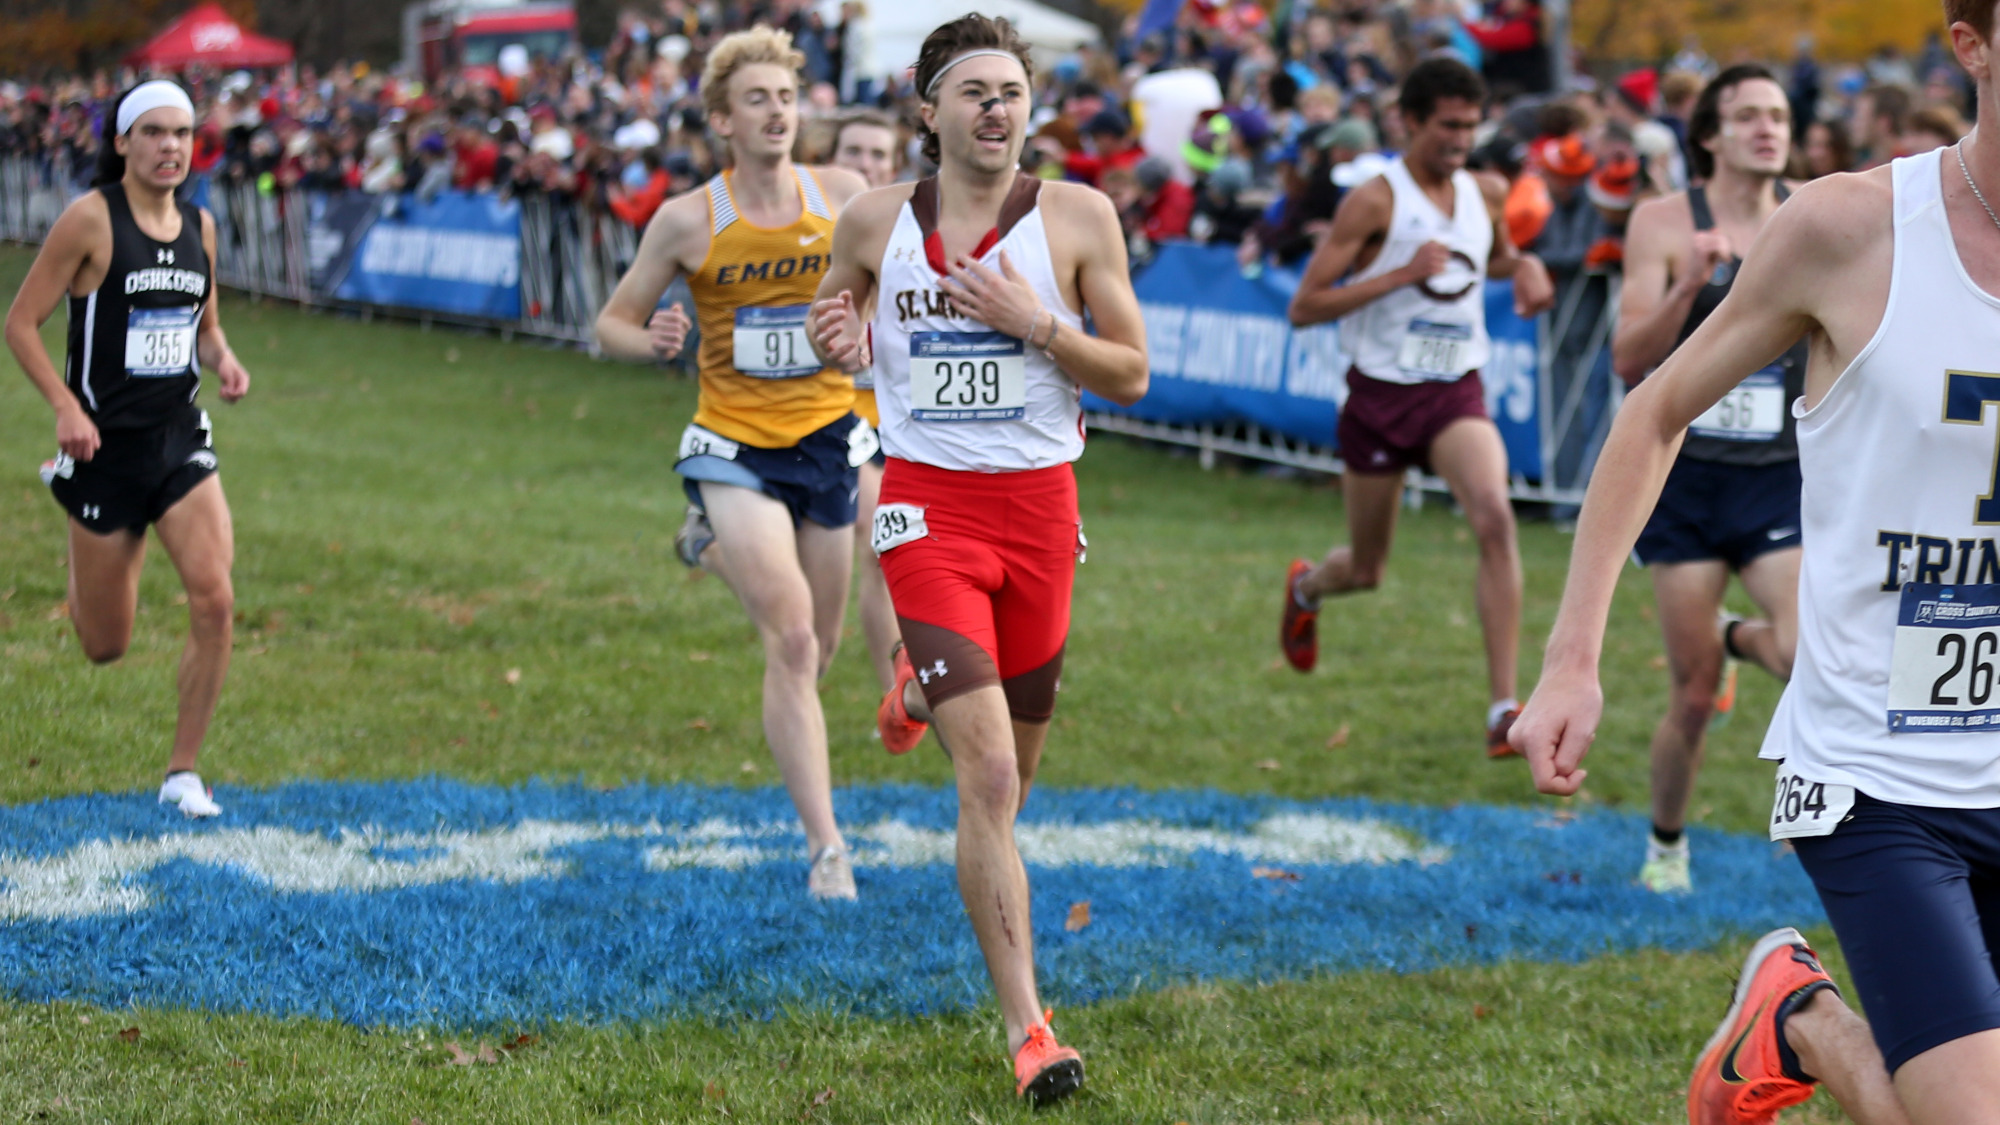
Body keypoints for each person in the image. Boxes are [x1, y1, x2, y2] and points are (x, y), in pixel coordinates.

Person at [1514, 4, 2000, 1122]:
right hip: (1879, 770)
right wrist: (1571, 658)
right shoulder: (1852, 228)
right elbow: (1653, 411)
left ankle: (1789, 1016)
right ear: (1970, 44)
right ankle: (1807, 1018)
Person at [805, 14, 1148, 1105]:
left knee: (1014, 785)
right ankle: (1029, 1029)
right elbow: (832, 317)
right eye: (974, 92)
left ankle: (917, 686)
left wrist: (1034, 324)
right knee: (989, 777)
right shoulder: (874, 219)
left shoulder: (1078, 216)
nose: (996, 109)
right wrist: (835, 338)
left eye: (1010, 93)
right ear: (929, 110)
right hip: (926, 508)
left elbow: (1131, 371)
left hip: (1040, 512)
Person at [593, 27, 872, 901]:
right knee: (791, 635)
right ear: (722, 119)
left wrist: (862, 333)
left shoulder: (844, 196)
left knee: (821, 648)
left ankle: (705, 545)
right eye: (757, 99)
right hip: (733, 443)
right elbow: (610, 323)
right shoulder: (689, 219)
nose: (777, 112)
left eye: (786, 97)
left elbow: (892, 295)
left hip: (827, 438)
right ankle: (828, 849)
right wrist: (651, 340)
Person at [1278, 56, 1554, 758]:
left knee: (1494, 517)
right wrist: (1400, 274)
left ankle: (1502, 709)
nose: (1460, 140)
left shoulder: (1486, 191)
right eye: (1447, 127)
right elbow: (1306, 305)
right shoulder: (1374, 200)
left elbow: (1492, 258)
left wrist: (1525, 266)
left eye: (1470, 126)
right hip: (1379, 394)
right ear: (1408, 121)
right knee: (1366, 570)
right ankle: (1308, 588)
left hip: (1454, 389)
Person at [2, 80, 250, 818]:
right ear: (122, 142)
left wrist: (225, 359)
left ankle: (183, 772)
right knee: (104, 644)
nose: (170, 146)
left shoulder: (200, 226)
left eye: (182, 133)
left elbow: (205, 326)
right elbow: (20, 323)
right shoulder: (90, 220)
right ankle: (75, 514)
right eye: (153, 132)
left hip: (177, 440)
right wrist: (65, 407)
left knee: (216, 599)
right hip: (102, 450)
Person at [1609, 65, 1808, 896]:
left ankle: (1735, 640)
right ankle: (1666, 846)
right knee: (1692, 696)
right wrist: (1692, 283)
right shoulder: (1663, 221)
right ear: (1710, 135)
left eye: (1779, 116)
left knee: (1809, 654)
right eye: (1748, 115)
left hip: (1778, 479)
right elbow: (1627, 356)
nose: (1767, 129)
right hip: (1685, 480)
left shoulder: (1811, 218)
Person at [828, 107, 904, 693]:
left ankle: (893, 701)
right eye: (853, 151)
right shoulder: (808, 229)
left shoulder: (916, 233)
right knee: (877, 535)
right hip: (826, 414)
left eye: (879, 154)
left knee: (884, 553)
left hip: (899, 421)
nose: (866, 164)